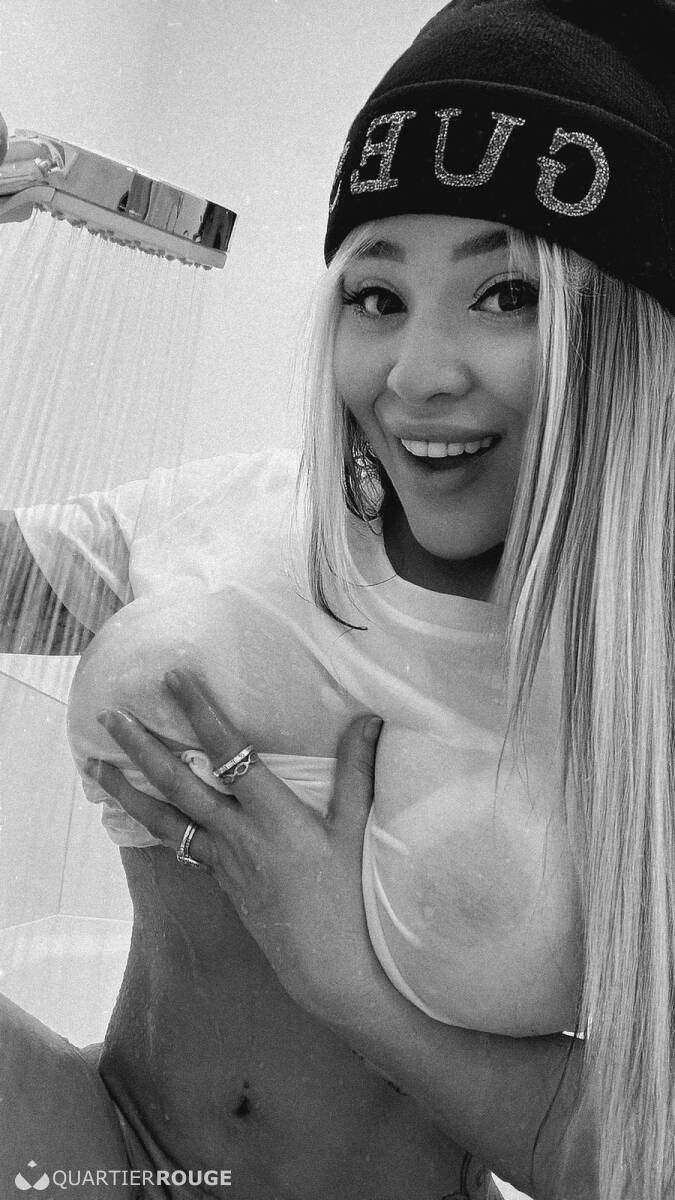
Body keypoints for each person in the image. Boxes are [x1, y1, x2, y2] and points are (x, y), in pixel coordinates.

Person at [1, 0, 673, 1198]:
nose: (416, 376)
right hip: (93, 1151)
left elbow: (644, 1158)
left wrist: (352, 987)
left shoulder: (643, 677)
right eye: (377, 296)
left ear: (616, 332)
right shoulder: (247, 513)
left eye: (506, 294)